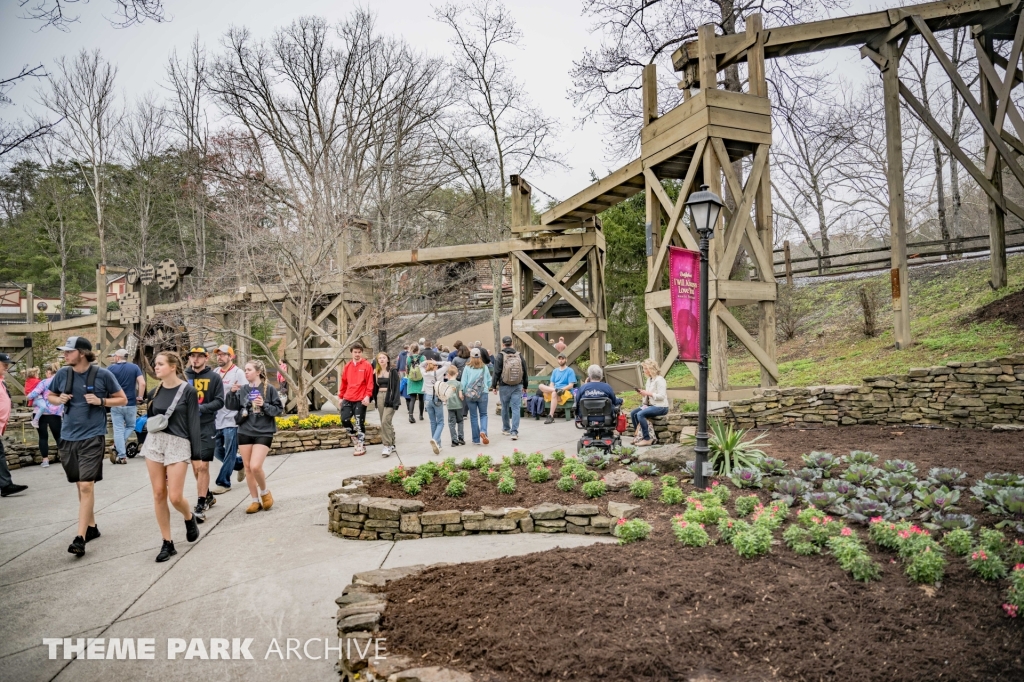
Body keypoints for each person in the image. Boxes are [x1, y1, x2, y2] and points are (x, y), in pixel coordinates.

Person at [47, 337, 128, 556]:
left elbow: (122, 400)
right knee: (79, 484)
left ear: (81, 353)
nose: (64, 355)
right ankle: (91, 527)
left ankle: (80, 537)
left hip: (93, 437)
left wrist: (101, 401)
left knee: (86, 485)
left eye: (68, 351)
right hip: (67, 436)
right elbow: (50, 396)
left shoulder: (103, 374)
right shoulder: (63, 374)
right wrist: (59, 399)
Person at [142, 351, 202, 562]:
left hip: (179, 444)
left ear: (172, 366)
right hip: (155, 444)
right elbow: (151, 420)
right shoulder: (153, 393)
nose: (155, 367)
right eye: (155, 364)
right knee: (159, 493)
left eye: (159, 364)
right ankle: (167, 542)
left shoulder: (188, 391)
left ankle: (188, 516)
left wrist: (197, 456)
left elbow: (194, 424)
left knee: (175, 496)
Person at [224, 360, 283, 514]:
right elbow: (231, 406)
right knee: (248, 468)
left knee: (256, 466)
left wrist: (264, 404)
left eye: (249, 369)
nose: (246, 372)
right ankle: (254, 500)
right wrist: (231, 393)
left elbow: (278, 410)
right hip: (244, 431)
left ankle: (264, 492)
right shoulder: (242, 389)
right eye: (245, 369)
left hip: (264, 432)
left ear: (258, 372)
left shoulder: (269, 389)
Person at [185, 346, 224, 522]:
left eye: (200, 357)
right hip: (186, 427)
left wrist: (201, 408)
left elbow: (220, 401)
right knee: (195, 467)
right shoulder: (183, 377)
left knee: (203, 466)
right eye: (193, 356)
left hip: (206, 425)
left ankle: (200, 504)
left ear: (206, 358)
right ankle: (207, 494)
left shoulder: (214, 378)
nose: (196, 359)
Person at [210, 345, 247, 495]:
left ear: (231, 357)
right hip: (217, 418)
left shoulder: (238, 373)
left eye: (224, 355)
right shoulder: (215, 372)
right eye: (218, 355)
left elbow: (248, 393)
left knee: (230, 452)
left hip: (232, 419)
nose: (220, 357)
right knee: (216, 450)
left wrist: (237, 391)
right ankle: (240, 464)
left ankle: (223, 482)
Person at [106, 348, 146, 465]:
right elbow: (142, 383)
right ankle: (118, 448)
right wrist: (140, 396)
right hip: (131, 403)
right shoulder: (134, 367)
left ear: (117, 357)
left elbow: (105, 385)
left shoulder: (110, 369)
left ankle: (122, 456)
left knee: (118, 429)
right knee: (131, 425)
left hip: (116, 402)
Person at [0, 352, 29, 497]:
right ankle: (6, 485)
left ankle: (6, 485)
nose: (6, 366)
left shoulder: (1, 381)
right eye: (4, 364)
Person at [339, 343, 374, 456]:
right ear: (351, 353)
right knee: (344, 419)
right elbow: (344, 382)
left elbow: (370, 382)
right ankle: (354, 437)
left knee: (359, 423)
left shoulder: (367, 365)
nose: (357, 354)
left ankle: (361, 444)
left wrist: (368, 395)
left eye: (359, 352)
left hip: (360, 398)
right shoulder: (347, 366)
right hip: (348, 397)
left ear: (361, 353)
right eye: (355, 352)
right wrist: (340, 397)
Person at [491, 336, 528, 440]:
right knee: (516, 408)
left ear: (503, 344)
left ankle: (506, 429)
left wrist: (494, 386)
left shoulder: (500, 356)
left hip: (504, 385)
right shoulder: (519, 355)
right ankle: (514, 432)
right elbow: (525, 371)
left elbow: (496, 372)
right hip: (517, 384)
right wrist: (525, 385)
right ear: (512, 343)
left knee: (505, 407)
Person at [27, 362, 63, 468]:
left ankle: (45, 460)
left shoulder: (44, 382)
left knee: (43, 437)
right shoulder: (62, 382)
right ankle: (65, 457)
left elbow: (33, 394)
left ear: (48, 372)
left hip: (41, 413)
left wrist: (28, 396)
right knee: (58, 436)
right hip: (56, 413)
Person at [631, 359, 670, 446]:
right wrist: (643, 394)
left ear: (651, 369)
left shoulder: (660, 380)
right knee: (633, 413)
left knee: (640, 414)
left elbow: (661, 396)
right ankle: (638, 436)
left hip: (661, 407)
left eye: (645, 368)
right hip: (651, 405)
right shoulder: (649, 380)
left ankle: (647, 439)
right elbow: (648, 396)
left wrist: (648, 393)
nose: (644, 371)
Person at [372, 351, 400, 457]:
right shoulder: (376, 372)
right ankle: (392, 443)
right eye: (380, 358)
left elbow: (396, 387)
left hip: (390, 397)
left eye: (384, 357)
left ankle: (387, 445)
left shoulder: (392, 371)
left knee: (385, 421)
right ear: (377, 361)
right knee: (384, 422)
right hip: (380, 396)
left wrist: (396, 401)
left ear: (387, 359)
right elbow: (374, 387)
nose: (382, 359)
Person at [461, 348, 491, 445]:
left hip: (470, 394)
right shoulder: (484, 367)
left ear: (471, 356)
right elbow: (489, 381)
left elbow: (463, 382)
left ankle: (476, 439)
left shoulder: (467, 367)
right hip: (483, 393)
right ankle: (483, 431)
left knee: (473, 417)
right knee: (483, 414)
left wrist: (463, 392)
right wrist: (486, 387)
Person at [539, 352, 576, 424]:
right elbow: (552, 384)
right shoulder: (555, 371)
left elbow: (571, 385)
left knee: (553, 394)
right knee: (540, 386)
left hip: (565, 392)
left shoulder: (570, 371)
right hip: (555, 390)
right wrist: (554, 389)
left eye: (562, 359)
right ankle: (555, 390)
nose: (561, 360)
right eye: (559, 359)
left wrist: (562, 389)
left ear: (566, 360)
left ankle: (551, 416)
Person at [422, 358, 448, 454]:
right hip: (437, 398)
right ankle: (435, 439)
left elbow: (420, 365)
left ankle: (438, 445)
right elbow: (448, 364)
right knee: (441, 422)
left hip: (427, 398)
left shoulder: (424, 373)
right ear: (435, 366)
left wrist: (427, 362)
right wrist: (436, 361)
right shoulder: (439, 373)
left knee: (433, 422)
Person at [444, 364, 465, 447]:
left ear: (448, 375)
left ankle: (454, 440)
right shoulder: (459, 383)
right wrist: (462, 398)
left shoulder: (446, 384)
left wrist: (445, 401)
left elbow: (445, 396)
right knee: (460, 421)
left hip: (450, 406)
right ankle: (461, 438)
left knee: (451, 423)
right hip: (459, 405)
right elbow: (460, 395)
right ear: (457, 373)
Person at [405, 344, 426, 423]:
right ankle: (421, 415)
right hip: (421, 379)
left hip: (411, 379)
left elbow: (407, 369)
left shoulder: (408, 358)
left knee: (412, 399)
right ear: (418, 349)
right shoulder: (423, 358)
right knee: (421, 398)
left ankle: (411, 416)